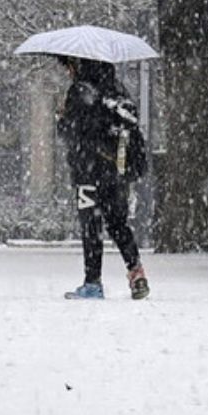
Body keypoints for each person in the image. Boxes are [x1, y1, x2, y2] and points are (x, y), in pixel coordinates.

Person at [56, 56, 148, 300]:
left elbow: (71, 132)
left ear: (78, 65)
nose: (68, 72)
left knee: (91, 227)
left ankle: (93, 282)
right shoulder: (118, 92)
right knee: (119, 224)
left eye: (69, 67)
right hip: (116, 173)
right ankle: (136, 273)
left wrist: (62, 119)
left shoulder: (79, 91)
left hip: (87, 171)